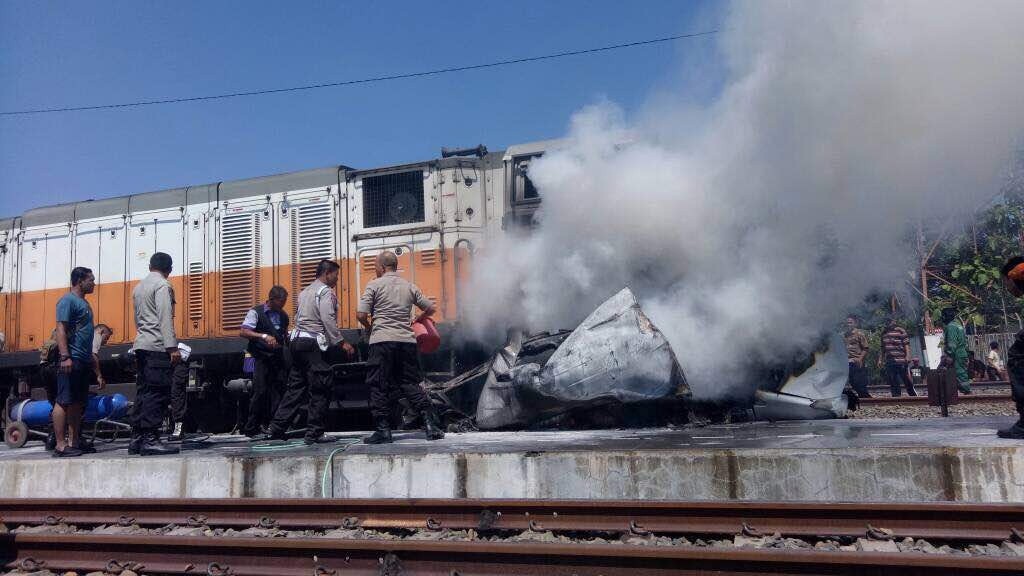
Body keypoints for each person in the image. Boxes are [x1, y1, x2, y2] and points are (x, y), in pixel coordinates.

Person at [255, 260, 355, 445]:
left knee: (295, 387)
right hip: (312, 344)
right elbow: (327, 318)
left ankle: (276, 428)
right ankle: (315, 433)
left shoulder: (305, 292)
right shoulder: (325, 293)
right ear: (327, 273)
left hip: (297, 342)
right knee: (321, 386)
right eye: (336, 275)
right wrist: (341, 342)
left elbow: (297, 317)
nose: (337, 279)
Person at [358, 251, 445, 444]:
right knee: (409, 383)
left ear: (381, 267)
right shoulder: (409, 286)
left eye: (375, 266)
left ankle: (383, 430)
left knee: (378, 384)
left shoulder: (374, 285)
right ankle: (430, 425)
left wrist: (370, 327)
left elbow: (361, 314)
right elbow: (430, 308)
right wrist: (418, 319)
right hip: (406, 342)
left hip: (381, 341)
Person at [129, 252, 181, 456]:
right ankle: (151, 438)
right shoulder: (163, 286)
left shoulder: (139, 287)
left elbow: (137, 319)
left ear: (150, 266)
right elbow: (165, 317)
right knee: (157, 393)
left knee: (142, 392)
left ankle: (137, 438)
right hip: (157, 346)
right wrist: (172, 347)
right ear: (169, 269)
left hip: (142, 344)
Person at [51, 267, 99, 457]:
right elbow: (60, 329)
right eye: (91, 280)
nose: (94, 283)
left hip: (82, 359)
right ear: (80, 281)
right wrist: (65, 356)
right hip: (71, 358)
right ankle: (60, 445)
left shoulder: (84, 303)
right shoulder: (67, 301)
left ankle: (74, 441)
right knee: (63, 400)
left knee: (77, 402)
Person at [239, 286, 290, 438]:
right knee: (260, 392)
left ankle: (273, 426)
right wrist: (263, 337)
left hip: (277, 357)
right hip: (260, 357)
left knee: (278, 392)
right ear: (272, 299)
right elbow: (243, 331)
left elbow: (283, 334)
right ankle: (251, 427)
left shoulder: (283, 315)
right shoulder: (256, 312)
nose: (283, 305)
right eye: (281, 302)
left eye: (284, 302)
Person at [998, 257, 1024, 438]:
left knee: (1017, 357)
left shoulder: (1017, 272)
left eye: (1005, 283)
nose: (1007, 289)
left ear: (1010, 277)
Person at [880, 319, 916, 396]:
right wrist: (880, 359)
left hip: (901, 360)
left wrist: (908, 355)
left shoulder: (901, 331)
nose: (889, 323)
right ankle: (896, 396)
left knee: (906, 379)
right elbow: (883, 348)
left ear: (894, 322)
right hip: (890, 361)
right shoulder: (884, 333)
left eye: (890, 321)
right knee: (893, 380)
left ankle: (913, 395)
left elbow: (906, 344)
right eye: (887, 321)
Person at [940, 308, 971, 394]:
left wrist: (949, 355)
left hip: (956, 354)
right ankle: (952, 392)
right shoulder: (958, 325)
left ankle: (966, 391)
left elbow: (952, 344)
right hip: (962, 352)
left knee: (960, 373)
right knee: (956, 373)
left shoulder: (951, 327)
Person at [844, 316, 871, 398]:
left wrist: (860, 359)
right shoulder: (845, 335)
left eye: (850, 323)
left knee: (859, 381)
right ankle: (864, 397)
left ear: (855, 324)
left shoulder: (859, 334)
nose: (848, 325)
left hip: (857, 361)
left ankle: (866, 398)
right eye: (847, 323)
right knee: (852, 381)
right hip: (848, 361)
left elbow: (865, 348)